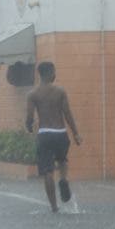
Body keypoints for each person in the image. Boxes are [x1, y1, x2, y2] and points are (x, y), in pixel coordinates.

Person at [26, 61, 82, 212]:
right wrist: (76, 133)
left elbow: (30, 117)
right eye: (54, 71)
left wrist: (29, 127)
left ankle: (54, 206)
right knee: (63, 160)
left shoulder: (33, 94)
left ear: (40, 74)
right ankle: (63, 179)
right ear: (51, 73)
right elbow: (67, 113)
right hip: (60, 133)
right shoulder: (60, 91)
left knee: (47, 171)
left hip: (44, 134)